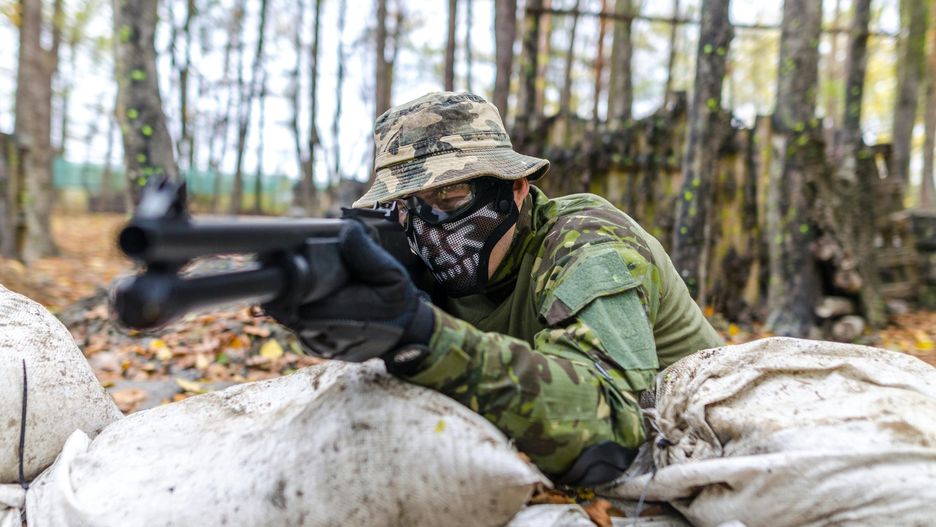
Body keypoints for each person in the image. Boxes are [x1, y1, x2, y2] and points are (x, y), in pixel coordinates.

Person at [273, 92, 723, 486]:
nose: (429, 228)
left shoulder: (588, 244)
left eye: (451, 198)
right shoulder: (416, 259)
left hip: (703, 442)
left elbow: (613, 431)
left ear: (517, 188)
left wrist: (422, 335)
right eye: (405, 206)